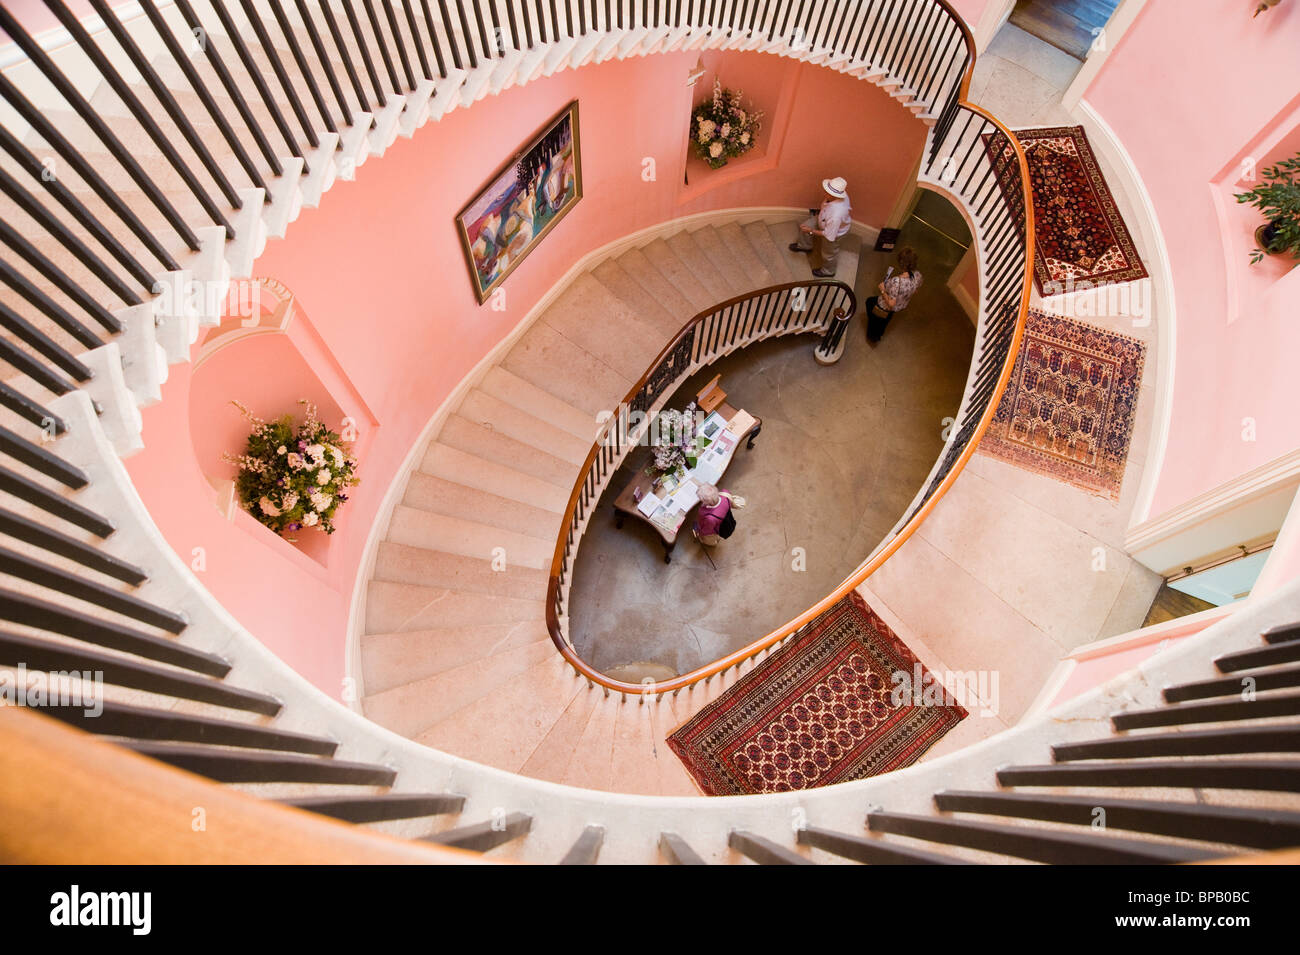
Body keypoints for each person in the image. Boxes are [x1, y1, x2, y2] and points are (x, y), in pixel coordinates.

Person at [790, 177, 852, 277]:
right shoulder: (840, 196)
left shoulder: (836, 215)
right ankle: (805, 246)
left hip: (835, 233)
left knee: (828, 254)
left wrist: (810, 231)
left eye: (827, 191)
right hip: (824, 220)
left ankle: (828, 271)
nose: (824, 192)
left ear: (834, 195)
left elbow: (828, 235)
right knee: (807, 225)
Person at [866, 247, 923, 343]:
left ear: (901, 263)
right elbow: (916, 291)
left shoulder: (897, 281)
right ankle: (879, 334)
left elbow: (891, 304)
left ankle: (873, 336)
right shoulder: (918, 276)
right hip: (900, 306)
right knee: (885, 321)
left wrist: (883, 290)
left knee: (869, 303)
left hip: (886, 306)